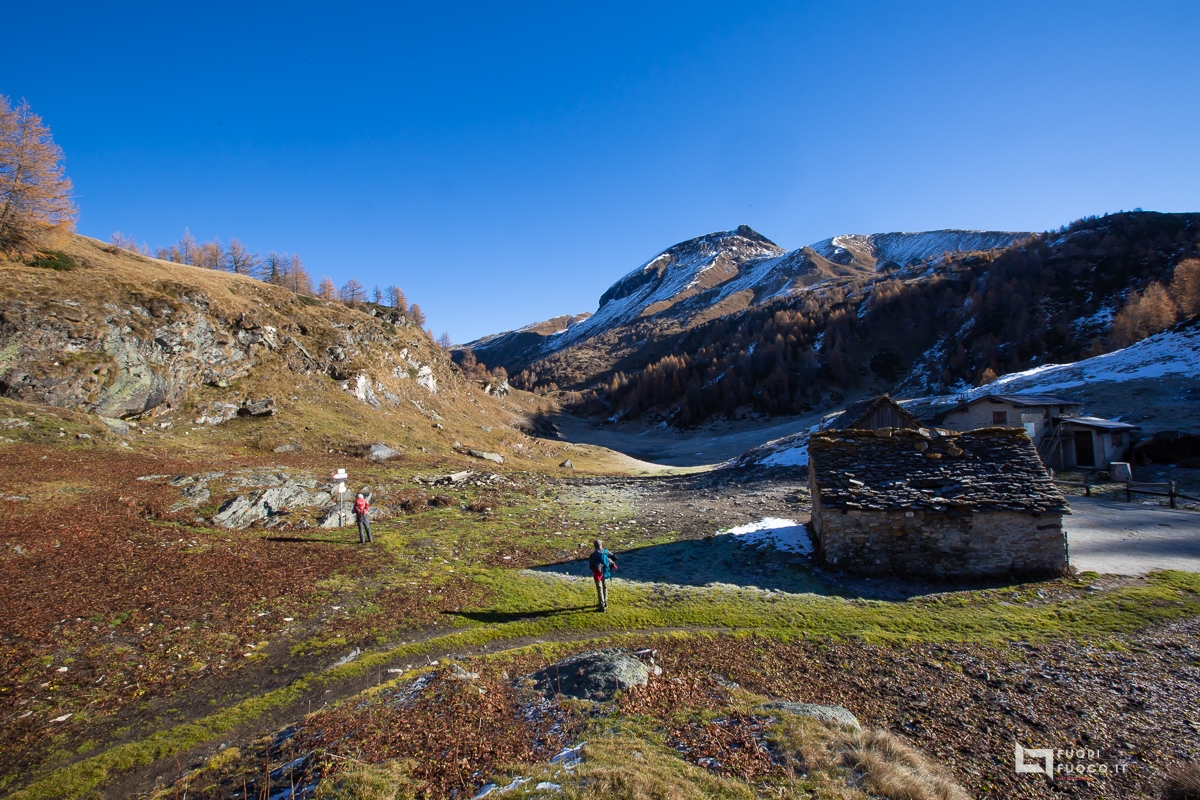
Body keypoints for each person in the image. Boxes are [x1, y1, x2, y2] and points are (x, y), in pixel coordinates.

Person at [588, 539, 617, 611]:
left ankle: (602, 606)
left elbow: (591, 566)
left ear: (595, 546)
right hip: (605, 572)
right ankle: (605, 602)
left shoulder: (593, 555)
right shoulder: (606, 552)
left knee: (599, 589)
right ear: (601, 545)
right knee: (605, 587)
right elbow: (615, 557)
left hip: (597, 574)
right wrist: (609, 563)